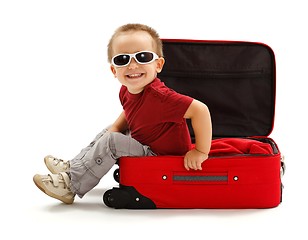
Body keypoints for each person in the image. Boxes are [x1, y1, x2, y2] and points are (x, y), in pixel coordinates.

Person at [33, 23, 212, 204]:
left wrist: (200, 151)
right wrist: (115, 128)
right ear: (114, 70)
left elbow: (201, 110)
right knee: (110, 131)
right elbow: (131, 113)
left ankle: (71, 185)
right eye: (122, 60)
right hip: (145, 142)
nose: (133, 66)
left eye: (142, 57)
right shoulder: (126, 90)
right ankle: (75, 166)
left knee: (112, 141)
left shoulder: (162, 97)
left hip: (161, 157)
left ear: (158, 65)